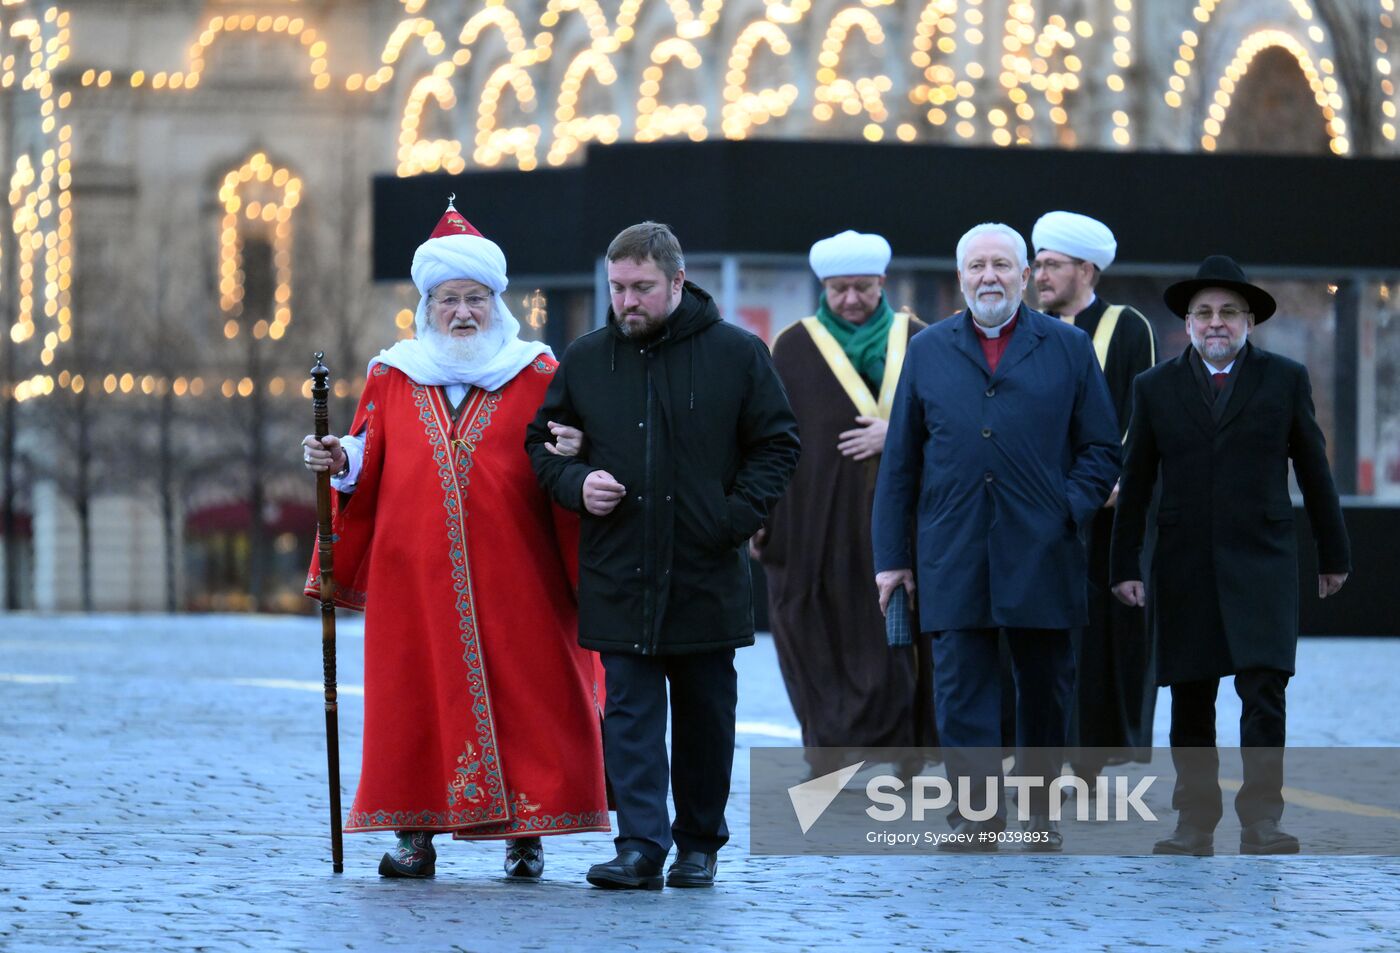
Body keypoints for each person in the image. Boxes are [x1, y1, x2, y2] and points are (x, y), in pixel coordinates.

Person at [300, 200, 607, 880]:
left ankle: (527, 834)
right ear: (426, 307)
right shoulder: (393, 372)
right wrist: (339, 459)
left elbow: (564, 461)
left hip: (521, 576)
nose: (462, 312)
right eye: (448, 300)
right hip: (415, 582)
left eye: (474, 299)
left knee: (530, 700)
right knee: (414, 708)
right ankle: (414, 835)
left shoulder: (539, 373)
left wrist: (578, 451)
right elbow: (367, 449)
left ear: (498, 305)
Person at [526, 222, 799, 890]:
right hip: (618, 568)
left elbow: (779, 444)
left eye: (642, 287)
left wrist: (734, 516)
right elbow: (543, 445)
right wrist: (577, 482)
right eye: (617, 288)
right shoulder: (586, 359)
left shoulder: (737, 353)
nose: (627, 301)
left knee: (706, 716)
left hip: (705, 568)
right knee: (630, 718)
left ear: (678, 281)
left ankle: (699, 843)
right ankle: (639, 844)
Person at [871, 222, 1120, 851]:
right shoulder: (927, 352)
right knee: (961, 691)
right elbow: (900, 462)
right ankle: (975, 817)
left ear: (1026, 274)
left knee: (1044, 687)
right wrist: (892, 560)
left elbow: (1101, 449)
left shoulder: (1067, 348)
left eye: (1003, 266)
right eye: (977, 266)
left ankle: (1039, 814)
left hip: (1045, 549)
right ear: (960, 279)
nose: (990, 277)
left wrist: (1066, 509)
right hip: (952, 548)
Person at [1110, 255, 1350, 856]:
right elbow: (1135, 482)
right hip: (1183, 564)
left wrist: (1333, 553)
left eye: (1228, 313)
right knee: (1190, 698)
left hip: (1262, 562)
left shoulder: (1285, 379)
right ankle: (1194, 823)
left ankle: (1262, 821)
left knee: (1264, 695)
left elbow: (1315, 470)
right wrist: (1123, 566)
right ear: (1188, 323)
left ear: (1249, 321)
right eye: (1204, 313)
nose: (1216, 322)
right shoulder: (1154, 387)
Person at [753, 230, 932, 772]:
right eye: (838, 290)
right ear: (822, 290)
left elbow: (953, 424)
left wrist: (894, 435)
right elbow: (768, 436)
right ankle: (830, 748)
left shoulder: (922, 339)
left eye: (862, 288)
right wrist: (763, 517)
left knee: (897, 633)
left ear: (882, 284)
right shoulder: (793, 345)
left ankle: (901, 750)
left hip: (901, 527)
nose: (851, 300)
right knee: (814, 628)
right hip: (814, 525)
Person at [1031, 211, 1157, 786]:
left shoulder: (1127, 326)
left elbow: (1139, 415)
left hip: (1106, 514)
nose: (1039, 275)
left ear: (1086, 268)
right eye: (1036, 264)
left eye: (1051, 264)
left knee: (1104, 638)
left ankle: (1092, 758)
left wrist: (1112, 483)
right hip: (1041, 511)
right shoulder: (1028, 325)